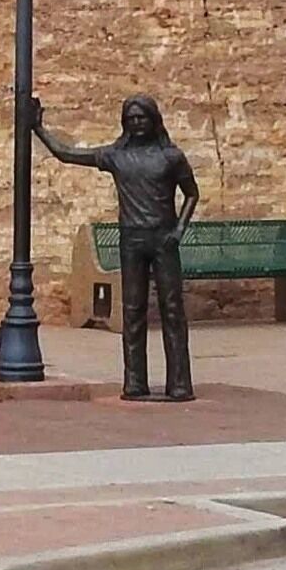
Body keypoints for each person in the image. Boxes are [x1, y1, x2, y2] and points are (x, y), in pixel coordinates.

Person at [32, 94, 201, 401]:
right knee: (133, 311)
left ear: (153, 120)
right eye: (131, 119)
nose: (137, 123)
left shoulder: (171, 157)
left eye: (142, 117)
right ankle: (134, 381)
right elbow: (68, 154)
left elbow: (191, 193)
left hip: (163, 239)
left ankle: (179, 383)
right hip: (131, 240)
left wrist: (178, 230)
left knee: (172, 310)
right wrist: (39, 129)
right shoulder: (116, 156)